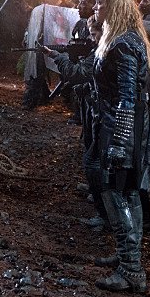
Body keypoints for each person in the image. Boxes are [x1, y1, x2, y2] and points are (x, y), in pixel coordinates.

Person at [90, 0, 150, 293]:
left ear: (115, 5)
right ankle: (127, 255)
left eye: (101, 3)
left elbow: (127, 98)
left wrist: (119, 141)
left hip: (122, 126)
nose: (95, 7)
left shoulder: (124, 44)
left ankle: (131, 268)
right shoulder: (122, 38)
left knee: (118, 193)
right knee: (128, 192)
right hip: (122, 124)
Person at [44, 15, 105, 229]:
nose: (91, 39)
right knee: (92, 154)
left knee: (94, 161)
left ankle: (105, 212)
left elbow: (77, 73)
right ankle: (99, 198)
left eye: (94, 34)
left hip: (104, 112)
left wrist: (58, 57)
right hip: (97, 107)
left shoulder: (104, 50)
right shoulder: (100, 48)